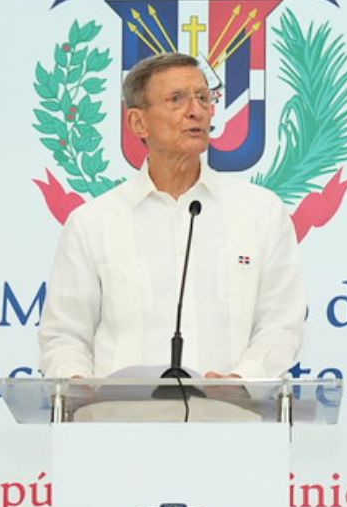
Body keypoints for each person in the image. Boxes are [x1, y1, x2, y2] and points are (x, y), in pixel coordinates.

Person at [38, 52, 305, 379]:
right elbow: (64, 335)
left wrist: (241, 382)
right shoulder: (93, 223)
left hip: (231, 408)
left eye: (203, 98)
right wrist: (80, 386)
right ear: (138, 123)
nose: (196, 111)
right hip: (122, 411)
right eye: (176, 99)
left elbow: (281, 324)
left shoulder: (261, 212)